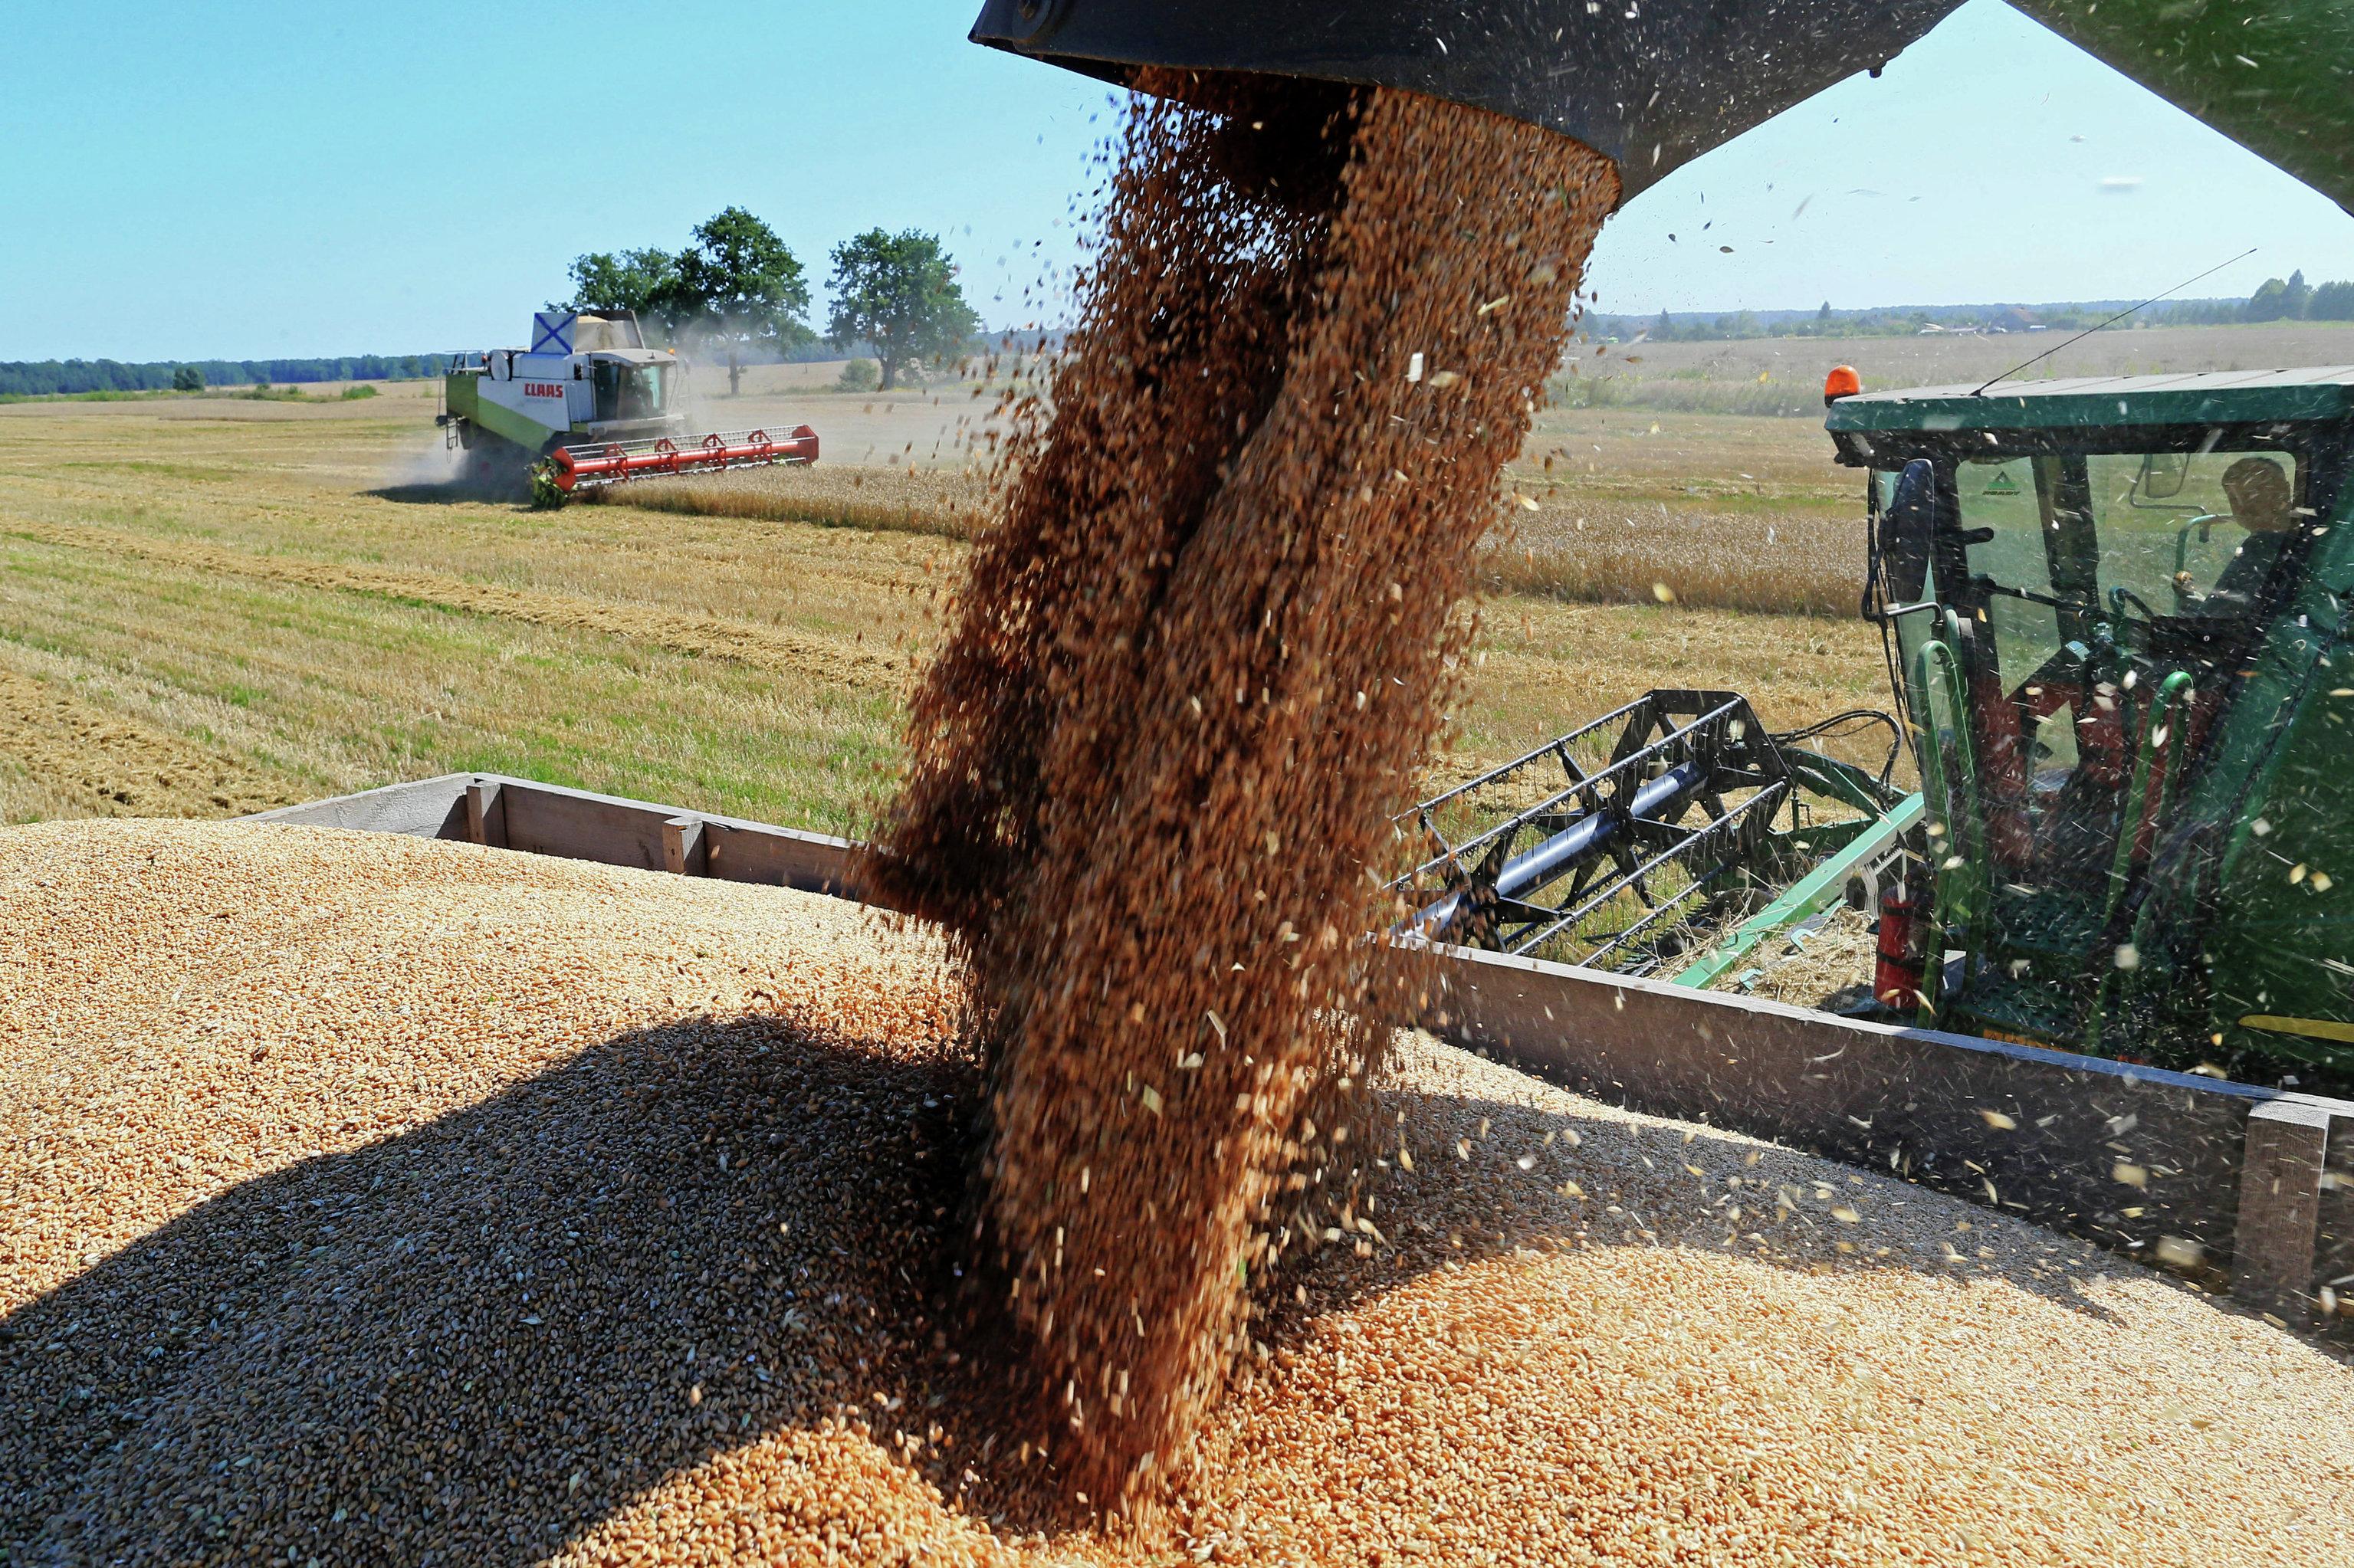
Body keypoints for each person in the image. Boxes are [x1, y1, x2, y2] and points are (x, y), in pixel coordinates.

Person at [2202, 454, 2297, 606]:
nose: (2242, 508)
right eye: (2234, 499)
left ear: (2283, 491)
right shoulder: (2298, 533)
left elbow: (2220, 613)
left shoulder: (2262, 546)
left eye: (2250, 495)